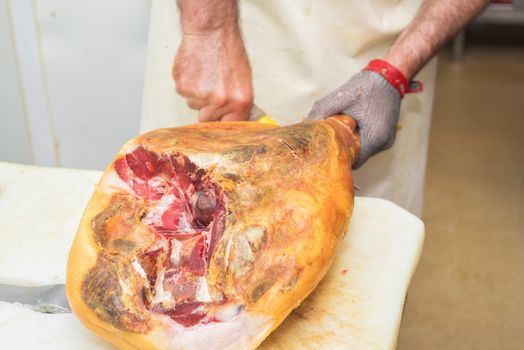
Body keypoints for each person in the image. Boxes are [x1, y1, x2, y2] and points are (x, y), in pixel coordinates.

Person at [141, 0, 490, 216]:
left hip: (391, 39)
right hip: (224, 28)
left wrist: (396, 71)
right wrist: (209, 29)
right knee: (182, 221)